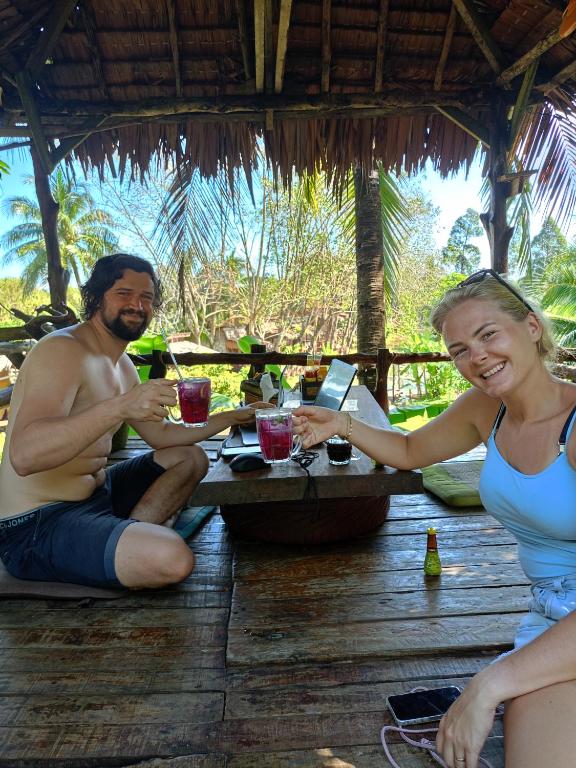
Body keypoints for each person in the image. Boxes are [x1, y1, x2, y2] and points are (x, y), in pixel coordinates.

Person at [294, 269, 576, 768]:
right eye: (460, 350)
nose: (477, 357)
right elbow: (409, 450)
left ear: (532, 327)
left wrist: (490, 682)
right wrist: (342, 423)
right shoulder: (486, 409)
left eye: (488, 334)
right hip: (550, 615)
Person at [0, 253, 266, 590]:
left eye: (147, 297)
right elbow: (24, 456)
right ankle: (140, 540)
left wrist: (235, 416)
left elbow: (162, 436)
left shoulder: (122, 364)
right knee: (172, 558)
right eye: (124, 294)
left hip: (98, 496)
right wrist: (122, 406)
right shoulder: (62, 350)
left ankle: (133, 531)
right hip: (35, 523)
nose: (137, 306)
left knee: (191, 457)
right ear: (96, 297)